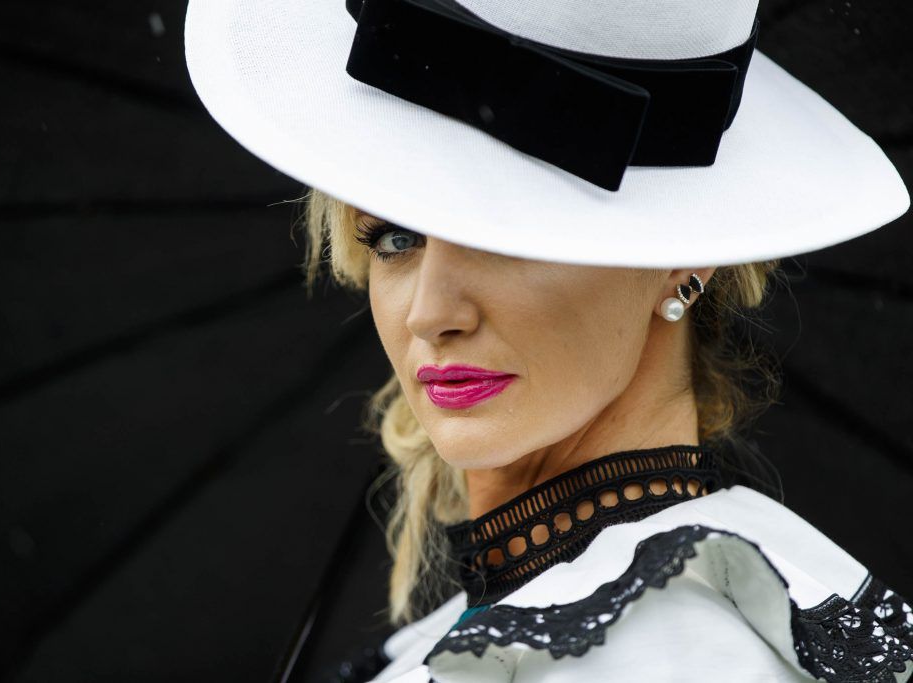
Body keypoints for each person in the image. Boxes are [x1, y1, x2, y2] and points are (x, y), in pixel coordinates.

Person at [183, 0, 913, 680]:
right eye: (394, 238)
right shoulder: (478, 639)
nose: (431, 313)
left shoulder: (676, 650)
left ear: (685, 260)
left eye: (503, 235)